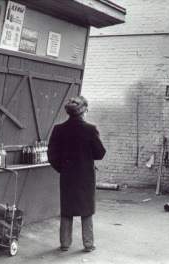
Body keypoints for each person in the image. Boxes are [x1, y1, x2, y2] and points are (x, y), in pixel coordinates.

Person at [47, 96, 106, 252]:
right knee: (86, 210)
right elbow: (100, 153)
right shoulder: (90, 129)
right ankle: (88, 244)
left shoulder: (59, 129)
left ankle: (65, 244)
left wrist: (63, 168)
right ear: (84, 110)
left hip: (67, 176)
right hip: (86, 176)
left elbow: (52, 155)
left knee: (67, 209)